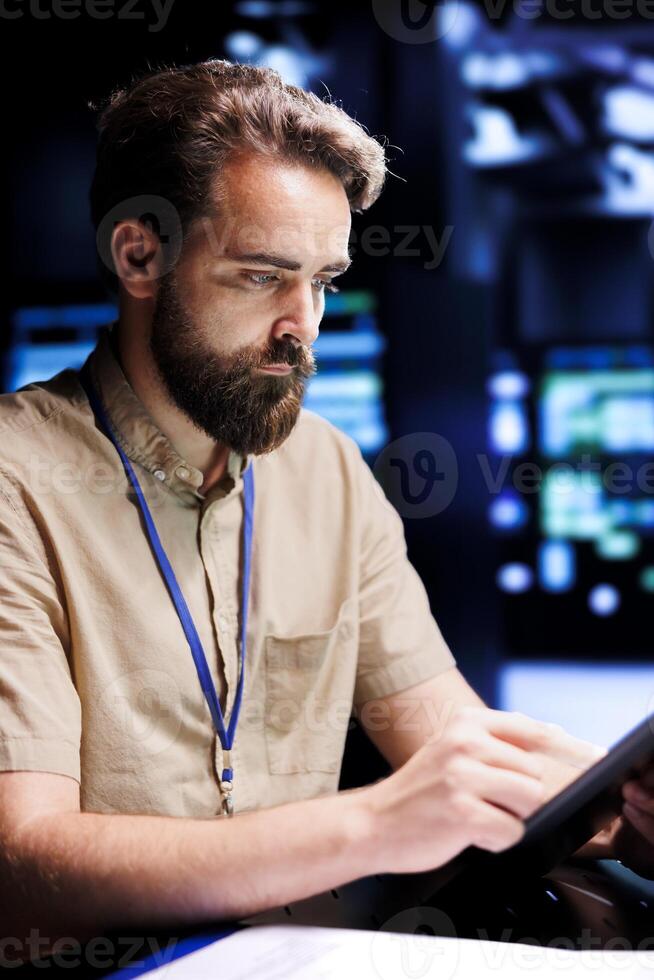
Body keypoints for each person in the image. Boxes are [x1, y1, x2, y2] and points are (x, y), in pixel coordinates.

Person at [0, 59, 651, 961]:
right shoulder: (18, 479)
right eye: (262, 276)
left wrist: (620, 815)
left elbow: (452, 746)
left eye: (323, 281)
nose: (302, 325)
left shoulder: (330, 472)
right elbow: (25, 860)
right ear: (140, 255)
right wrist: (375, 824)